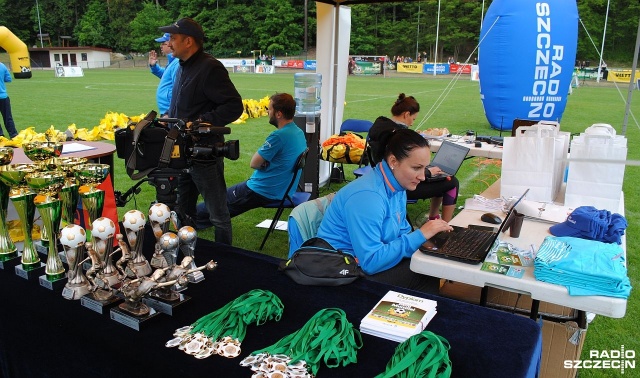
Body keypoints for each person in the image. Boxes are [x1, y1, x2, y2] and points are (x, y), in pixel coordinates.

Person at [316, 128, 453, 293]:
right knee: (423, 274)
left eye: (424, 168)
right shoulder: (368, 197)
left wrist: (429, 241)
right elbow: (371, 262)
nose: (423, 177)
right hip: (342, 273)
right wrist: (420, 235)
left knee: (427, 263)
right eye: (416, 168)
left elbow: (402, 234)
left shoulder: (397, 186)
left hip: (360, 263)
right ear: (394, 162)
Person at [159, 17, 244, 245]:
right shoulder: (181, 67)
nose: (170, 42)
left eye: (174, 38)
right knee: (183, 210)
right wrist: (168, 117)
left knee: (218, 215)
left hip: (204, 154)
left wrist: (201, 122)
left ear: (188, 41)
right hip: (183, 154)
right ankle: (190, 254)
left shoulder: (209, 67)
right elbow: (183, 105)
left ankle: (225, 258)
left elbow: (234, 106)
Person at [195, 93, 307, 227]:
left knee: (217, 202)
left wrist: (264, 163)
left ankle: (188, 219)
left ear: (279, 114)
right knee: (224, 201)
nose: (267, 112)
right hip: (283, 190)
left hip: (263, 190)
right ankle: (199, 222)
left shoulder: (278, 136)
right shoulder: (298, 132)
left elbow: (254, 163)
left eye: (269, 109)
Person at [368, 94, 460, 222]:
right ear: (406, 114)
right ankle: (444, 224)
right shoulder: (398, 136)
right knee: (451, 181)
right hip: (399, 185)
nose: (412, 123)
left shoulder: (380, 126)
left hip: (380, 179)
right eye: (414, 119)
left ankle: (434, 218)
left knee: (440, 177)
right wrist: (427, 172)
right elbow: (399, 168)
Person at [148, 32, 179, 116]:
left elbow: (178, 88)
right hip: (167, 111)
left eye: (163, 43)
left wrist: (169, 111)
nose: (160, 46)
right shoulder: (173, 61)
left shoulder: (177, 63)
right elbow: (166, 76)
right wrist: (154, 66)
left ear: (171, 44)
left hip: (169, 111)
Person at [0, 62, 18, 139]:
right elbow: (8, 79)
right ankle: (13, 135)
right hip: (3, 96)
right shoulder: (2, 65)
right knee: (8, 117)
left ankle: (1, 136)